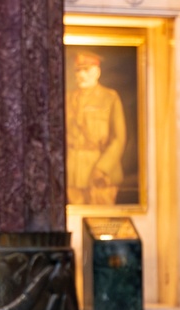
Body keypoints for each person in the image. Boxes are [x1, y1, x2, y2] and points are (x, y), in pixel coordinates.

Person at [66, 50, 126, 205]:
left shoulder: (109, 98)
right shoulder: (67, 99)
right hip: (73, 176)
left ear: (97, 72)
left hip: (100, 177)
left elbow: (119, 139)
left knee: (101, 223)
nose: (81, 75)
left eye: (86, 70)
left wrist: (102, 168)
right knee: (73, 222)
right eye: (78, 70)